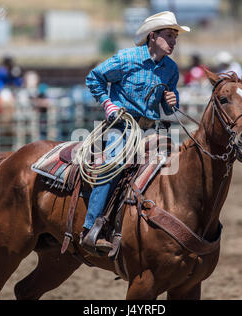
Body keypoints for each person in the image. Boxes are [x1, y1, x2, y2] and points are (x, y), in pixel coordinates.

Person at [80, 11, 190, 252]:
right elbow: (94, 78)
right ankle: (91, 228)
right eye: (169, 35)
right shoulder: (126, 59)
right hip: (123, 126)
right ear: (153, 36)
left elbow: (167, 104)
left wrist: (172, 100)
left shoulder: (171, 69)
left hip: (151, 129)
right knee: (114, 163)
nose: (173, 41)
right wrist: (108, 105)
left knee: (177, 166)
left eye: (175, 37)